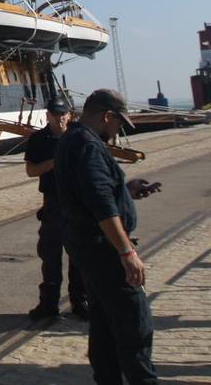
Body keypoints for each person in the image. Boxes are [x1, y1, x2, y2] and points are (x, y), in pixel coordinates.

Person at [56, 89, 161, 384]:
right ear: (106, 116)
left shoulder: (71, 140)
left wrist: (125, 193)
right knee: (134, 324)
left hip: (87, 247)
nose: (119, 131)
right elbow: (100, 204)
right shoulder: (89, 145)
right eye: (119, 123)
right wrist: (127, 253)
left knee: (103, 325)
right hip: (103, 250)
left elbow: (90, 193)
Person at [24, 98, 87, 320]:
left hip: (77, 203)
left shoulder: (80, 137)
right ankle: (48, 304)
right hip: (52, 204)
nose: (58, 118)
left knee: (78, 256)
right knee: (50, 257)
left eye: (62, 114)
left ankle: (80, 302)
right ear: (47, 116)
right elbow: (31, 170)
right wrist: (52, 162)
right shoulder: (39, 140)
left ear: (69, 115)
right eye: (54, 114)